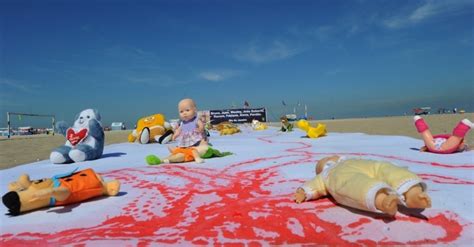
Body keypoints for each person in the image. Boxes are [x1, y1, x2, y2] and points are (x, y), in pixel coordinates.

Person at [294, 156, 431, 216]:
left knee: (385, 169)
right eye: (323, 161)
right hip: (343, 175)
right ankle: (382, 200)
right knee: (354, 185)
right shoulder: (326, 174)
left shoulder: (350, 158)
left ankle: (412, 192)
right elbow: (314, 184)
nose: (328, 158)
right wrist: (304, 191)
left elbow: (376, 164)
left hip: (367, 166)